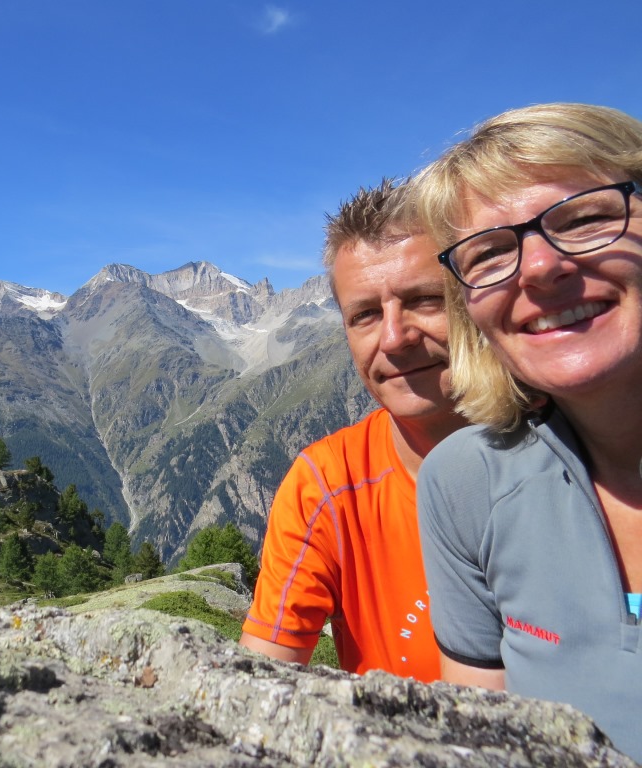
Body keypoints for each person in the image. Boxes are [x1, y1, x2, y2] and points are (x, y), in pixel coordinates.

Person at [414, 103, 642, 761]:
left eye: (585, 218)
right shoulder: (467, 481)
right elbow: (477, 740)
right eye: (490, 253)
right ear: (468, 310)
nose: (538, 268)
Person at [239, 180, 467, 682]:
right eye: (365, 315)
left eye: (425, 299)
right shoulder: (325, 485)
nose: (394, 338)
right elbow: (256, 682)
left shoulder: (582, 444)